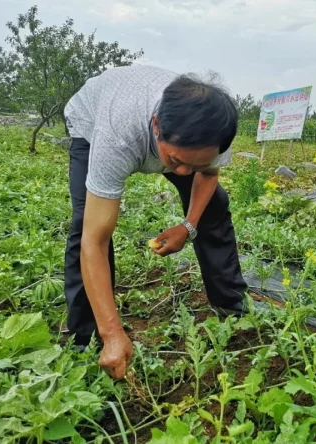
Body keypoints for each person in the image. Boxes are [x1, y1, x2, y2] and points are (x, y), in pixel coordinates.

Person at [63, 64, 264, 380]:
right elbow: (94, 240)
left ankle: (232, 306)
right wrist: (113, 332)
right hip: (91, 120)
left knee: (215, 203)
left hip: (166, 135)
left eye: (195, 164)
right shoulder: (117, 135)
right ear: (156, 126)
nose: (182, 173)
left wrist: (188, 226)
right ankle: (89, 339)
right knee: (84, 225)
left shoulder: (215, 133)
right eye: (175, 162)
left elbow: (207, 174)